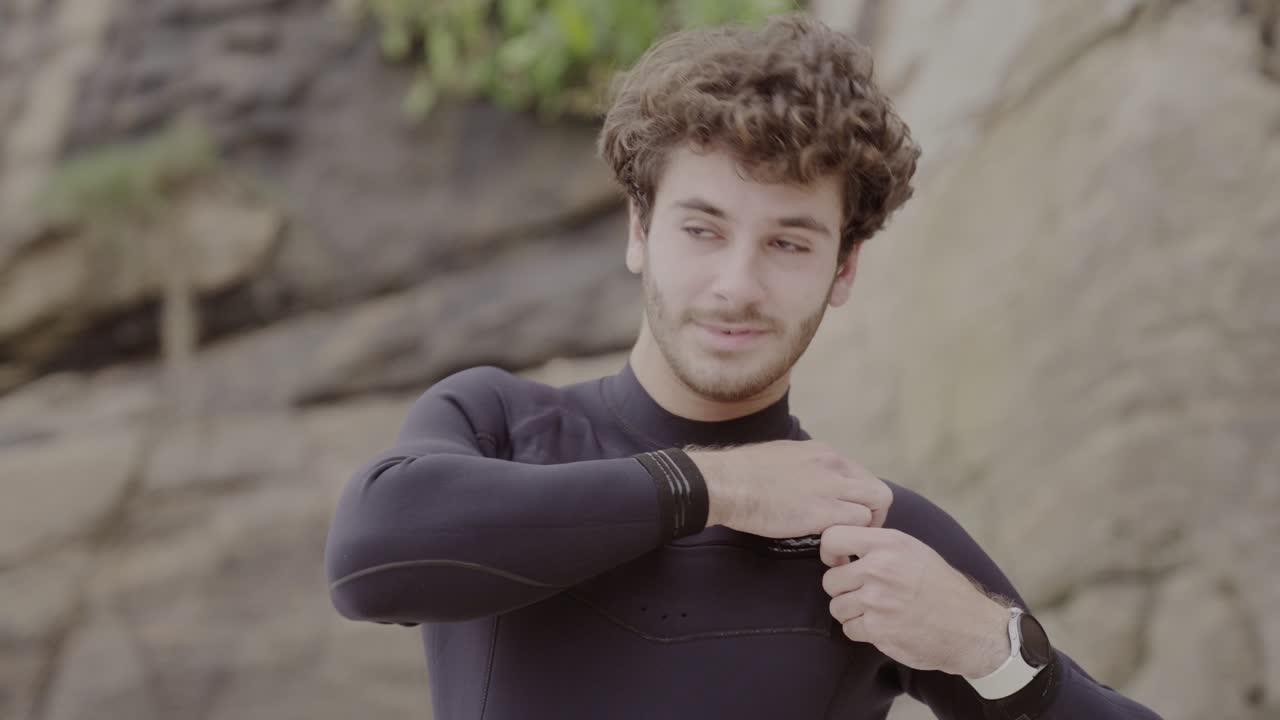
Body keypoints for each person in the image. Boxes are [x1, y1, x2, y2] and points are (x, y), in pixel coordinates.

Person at [324, 13, 1164, 720]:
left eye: (789, 243)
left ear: (843, 270)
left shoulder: (865, 535)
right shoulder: (501, 428)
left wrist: (993, 651)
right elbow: (369, 559)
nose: (738, 285)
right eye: (702, 229)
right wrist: (716, 488)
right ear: (639, 232)